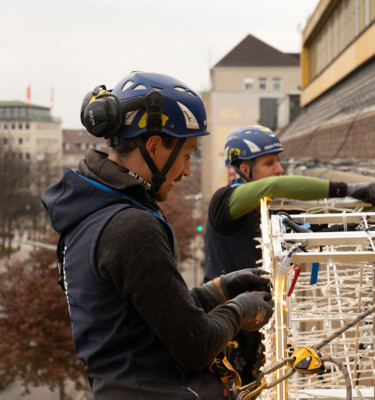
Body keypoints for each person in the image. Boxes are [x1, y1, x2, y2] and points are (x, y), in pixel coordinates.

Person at [41, 72, 274, 400]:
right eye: (187, 154)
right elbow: (195, 346)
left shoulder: (89, 214)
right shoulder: (131, 227)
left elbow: (149, 322)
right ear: (154, 147)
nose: (187, 170)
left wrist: (217, 290)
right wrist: (240, 310)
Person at [203, 124, 375, 383]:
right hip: (224, 327)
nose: (279, 169)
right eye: (270, 162)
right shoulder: (223, 203)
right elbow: (273, 185)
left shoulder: (273, 213)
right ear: (244, 169)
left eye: (278, 162)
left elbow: (327, 214)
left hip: (258, 327)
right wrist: (349, 188)